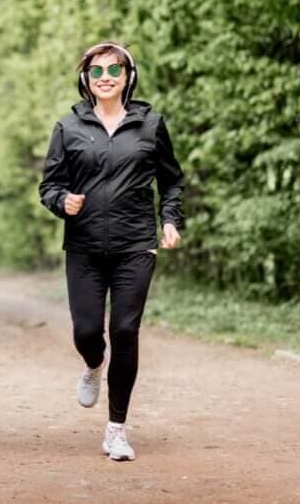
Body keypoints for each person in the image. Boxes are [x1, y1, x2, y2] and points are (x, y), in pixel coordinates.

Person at [39, 42, 184, 461]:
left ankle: (116, 429)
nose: (105, 76)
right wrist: (61, 201)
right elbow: (49, 186)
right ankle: (92, 365)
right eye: (96, 70)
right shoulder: (67, 127)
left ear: (127, 77)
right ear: (85, 79)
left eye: (113, 70)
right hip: (83, 246)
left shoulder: (151, 125)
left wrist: (170, 219)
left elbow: (171, 181)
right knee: (87, 332)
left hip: (135, 244)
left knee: (124, 331)